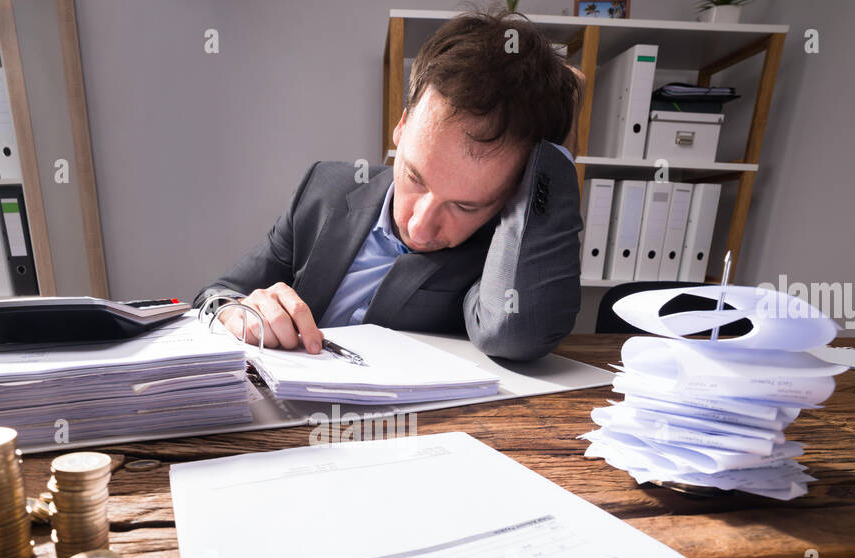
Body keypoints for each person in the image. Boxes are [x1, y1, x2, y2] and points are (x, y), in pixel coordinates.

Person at [194, 10, 582, 363]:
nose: (419, 226)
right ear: (401, 125)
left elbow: (517, 335)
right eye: (415, 177)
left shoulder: (501, 253)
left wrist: (552, 162)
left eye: (465, 206)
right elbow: (217, 294)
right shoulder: (324, 189)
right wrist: (237, 309)